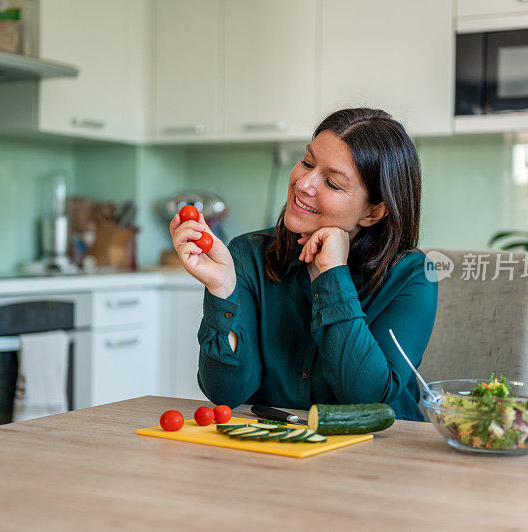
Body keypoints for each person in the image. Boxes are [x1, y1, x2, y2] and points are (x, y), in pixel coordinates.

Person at [168, 108, 438, 421]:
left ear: (373, 212)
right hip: (278, 449)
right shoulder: (248, 253)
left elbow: (370, 403)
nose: (304, 183)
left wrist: (332, 275)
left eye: (333, 183)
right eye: (307, 162)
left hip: (382, 453)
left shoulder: (413, 275)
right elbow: (227, 393)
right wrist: (222, 287)